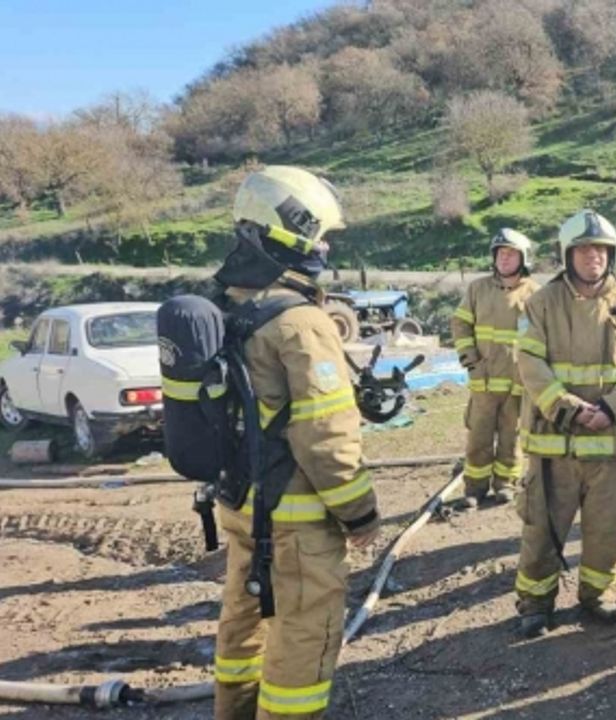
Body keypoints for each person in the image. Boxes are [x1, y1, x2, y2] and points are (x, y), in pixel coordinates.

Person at [212, 166, 380, 719]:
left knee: (242, 624)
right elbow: (327, 437)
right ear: (292, 231)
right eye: (321, 235)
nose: (326, 246)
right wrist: (360, 515)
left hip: (241, 504)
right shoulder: (301, 323)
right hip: (297, 520)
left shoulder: (228, 302)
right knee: (302, 643)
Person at [512, 209, 616, 638]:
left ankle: (598, 596)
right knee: (542, 527)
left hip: (610, 443)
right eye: (583, 248)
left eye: (600, 249)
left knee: (607, 528)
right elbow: (530, 363)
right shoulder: (540, 304)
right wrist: (570, 408)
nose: (593, 255)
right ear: (567, 254)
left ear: (610, 254)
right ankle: (535, 602)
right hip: (554, 442)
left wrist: (611, 408)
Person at [451, 229, 541, 508]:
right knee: (478, 435)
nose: (504, 258)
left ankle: (506, 484)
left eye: (511, 253)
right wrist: (470, 360)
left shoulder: (535, 294)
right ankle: (474, 488)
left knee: (510, 435)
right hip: (484, 380)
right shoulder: (478, 289)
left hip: (517, 382)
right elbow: (461, 324)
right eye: (500, 253)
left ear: (523, 258)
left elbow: (541, 336)